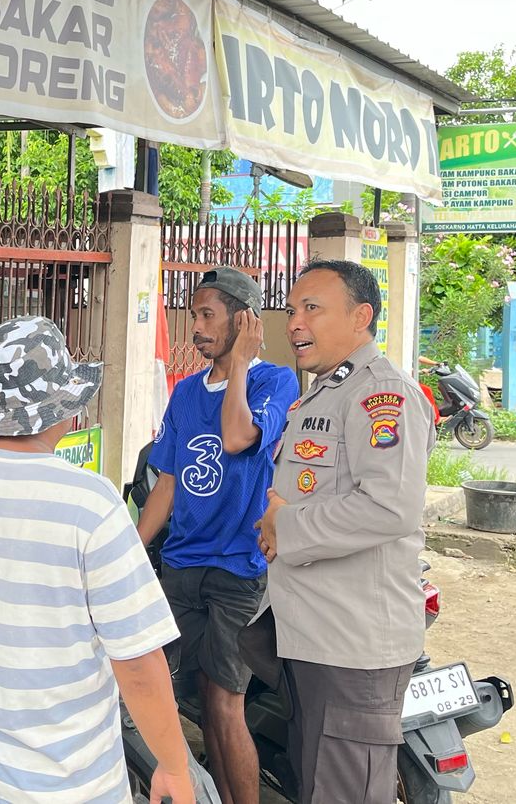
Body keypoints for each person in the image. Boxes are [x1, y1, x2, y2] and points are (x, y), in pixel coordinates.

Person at [0, 316, 196, 804]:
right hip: (71, 784)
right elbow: (138, 662)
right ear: (61, 409)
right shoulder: (91, 502)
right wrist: (175, 765)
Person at [253, 259, 432, 804]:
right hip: (316, 635)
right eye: (292, 310)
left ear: (361, 317)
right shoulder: (326, 391)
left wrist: (286, 526)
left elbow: (389, 508)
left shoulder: (382, 394)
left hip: (353, 646)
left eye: (312, 309)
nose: (295, 323)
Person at [137, 266, 299, 804]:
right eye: (194, 316)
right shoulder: (185, 392)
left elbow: (235, 436)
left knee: (227, 703)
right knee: (195, 699)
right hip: (182, 566)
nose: (197, 328)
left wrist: (242, 364)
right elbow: (166, 483)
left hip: (238, 568)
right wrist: (134, 552)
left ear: (245, 321)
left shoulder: (275, 381)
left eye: (208, 315)